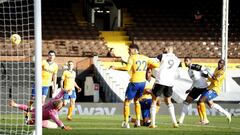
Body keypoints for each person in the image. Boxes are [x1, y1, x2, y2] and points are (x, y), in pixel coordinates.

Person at [110, 44, 159, 128]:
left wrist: (115, 67)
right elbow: (157, 65)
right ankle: (138, 122)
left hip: (134, 82)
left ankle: (126, 122)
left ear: (135, 50)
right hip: (142, 83)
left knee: (127, 102)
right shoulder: (146, 58)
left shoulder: (132, 57)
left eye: (130, 50)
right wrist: (147, 66)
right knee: (136, 101)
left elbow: (127, 68)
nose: (129, 52)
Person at [150, 46, 181, 128]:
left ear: (168, 49)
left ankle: (152, 123)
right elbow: (179, 71)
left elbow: (152, 62)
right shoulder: (178, 60)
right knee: (168, 101)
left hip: (161, 80)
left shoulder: (162, 56)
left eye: (165, 48)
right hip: (170, 82)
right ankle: (174, 122)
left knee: (154, 99)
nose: (164, 49)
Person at [197, 59, 232, 123]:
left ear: (223, 65)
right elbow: (212, 79)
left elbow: (215, 79)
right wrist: (207, 76)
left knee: (201, 100)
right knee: (208, 104)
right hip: (210, 88)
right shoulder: (216, 69)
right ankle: (227, 114)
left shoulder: (222, 72)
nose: (219, 64)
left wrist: (209, 74)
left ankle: (205, 120)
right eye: (219, 63)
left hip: (215, 89)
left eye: (221, 63)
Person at [178, 57, 209, 125]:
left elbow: (204, 69)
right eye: (184, 61)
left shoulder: (195, 66)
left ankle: (226, 114)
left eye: (187, 61)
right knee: (187, 101)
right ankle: (181, 120)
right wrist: (190, 89)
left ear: (190, 61)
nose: (185, 62)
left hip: (204, 87)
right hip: (196, 88)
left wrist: (206, 74)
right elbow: (194, 81)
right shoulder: (189, 71)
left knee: (211, 104)